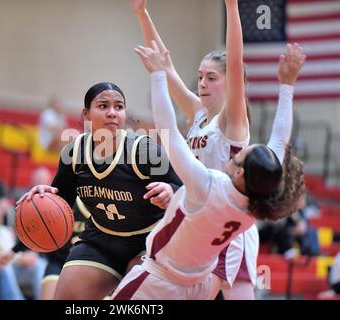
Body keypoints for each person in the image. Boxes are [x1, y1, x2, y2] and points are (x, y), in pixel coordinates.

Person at [112, 0, 306, 300]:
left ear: (230, 82)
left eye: (211, 77)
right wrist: (142, 14)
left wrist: (231, 8)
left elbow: (235, 61)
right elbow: (165, 66)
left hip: (230, 233)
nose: (202, 83)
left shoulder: (233, 120)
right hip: (204, 228)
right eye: (200, 76)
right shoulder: (199, 113)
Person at [18, 81, 182, 299]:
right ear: (86, 114)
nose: (112, 113)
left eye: (119, 107)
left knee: (132, 298)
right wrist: (44, 195)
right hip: (102, 239)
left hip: (148, 241)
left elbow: (186, 188)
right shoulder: (74, 152)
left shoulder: (145, 150)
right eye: (103, 106)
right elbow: (61, 200)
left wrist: (171, 191)